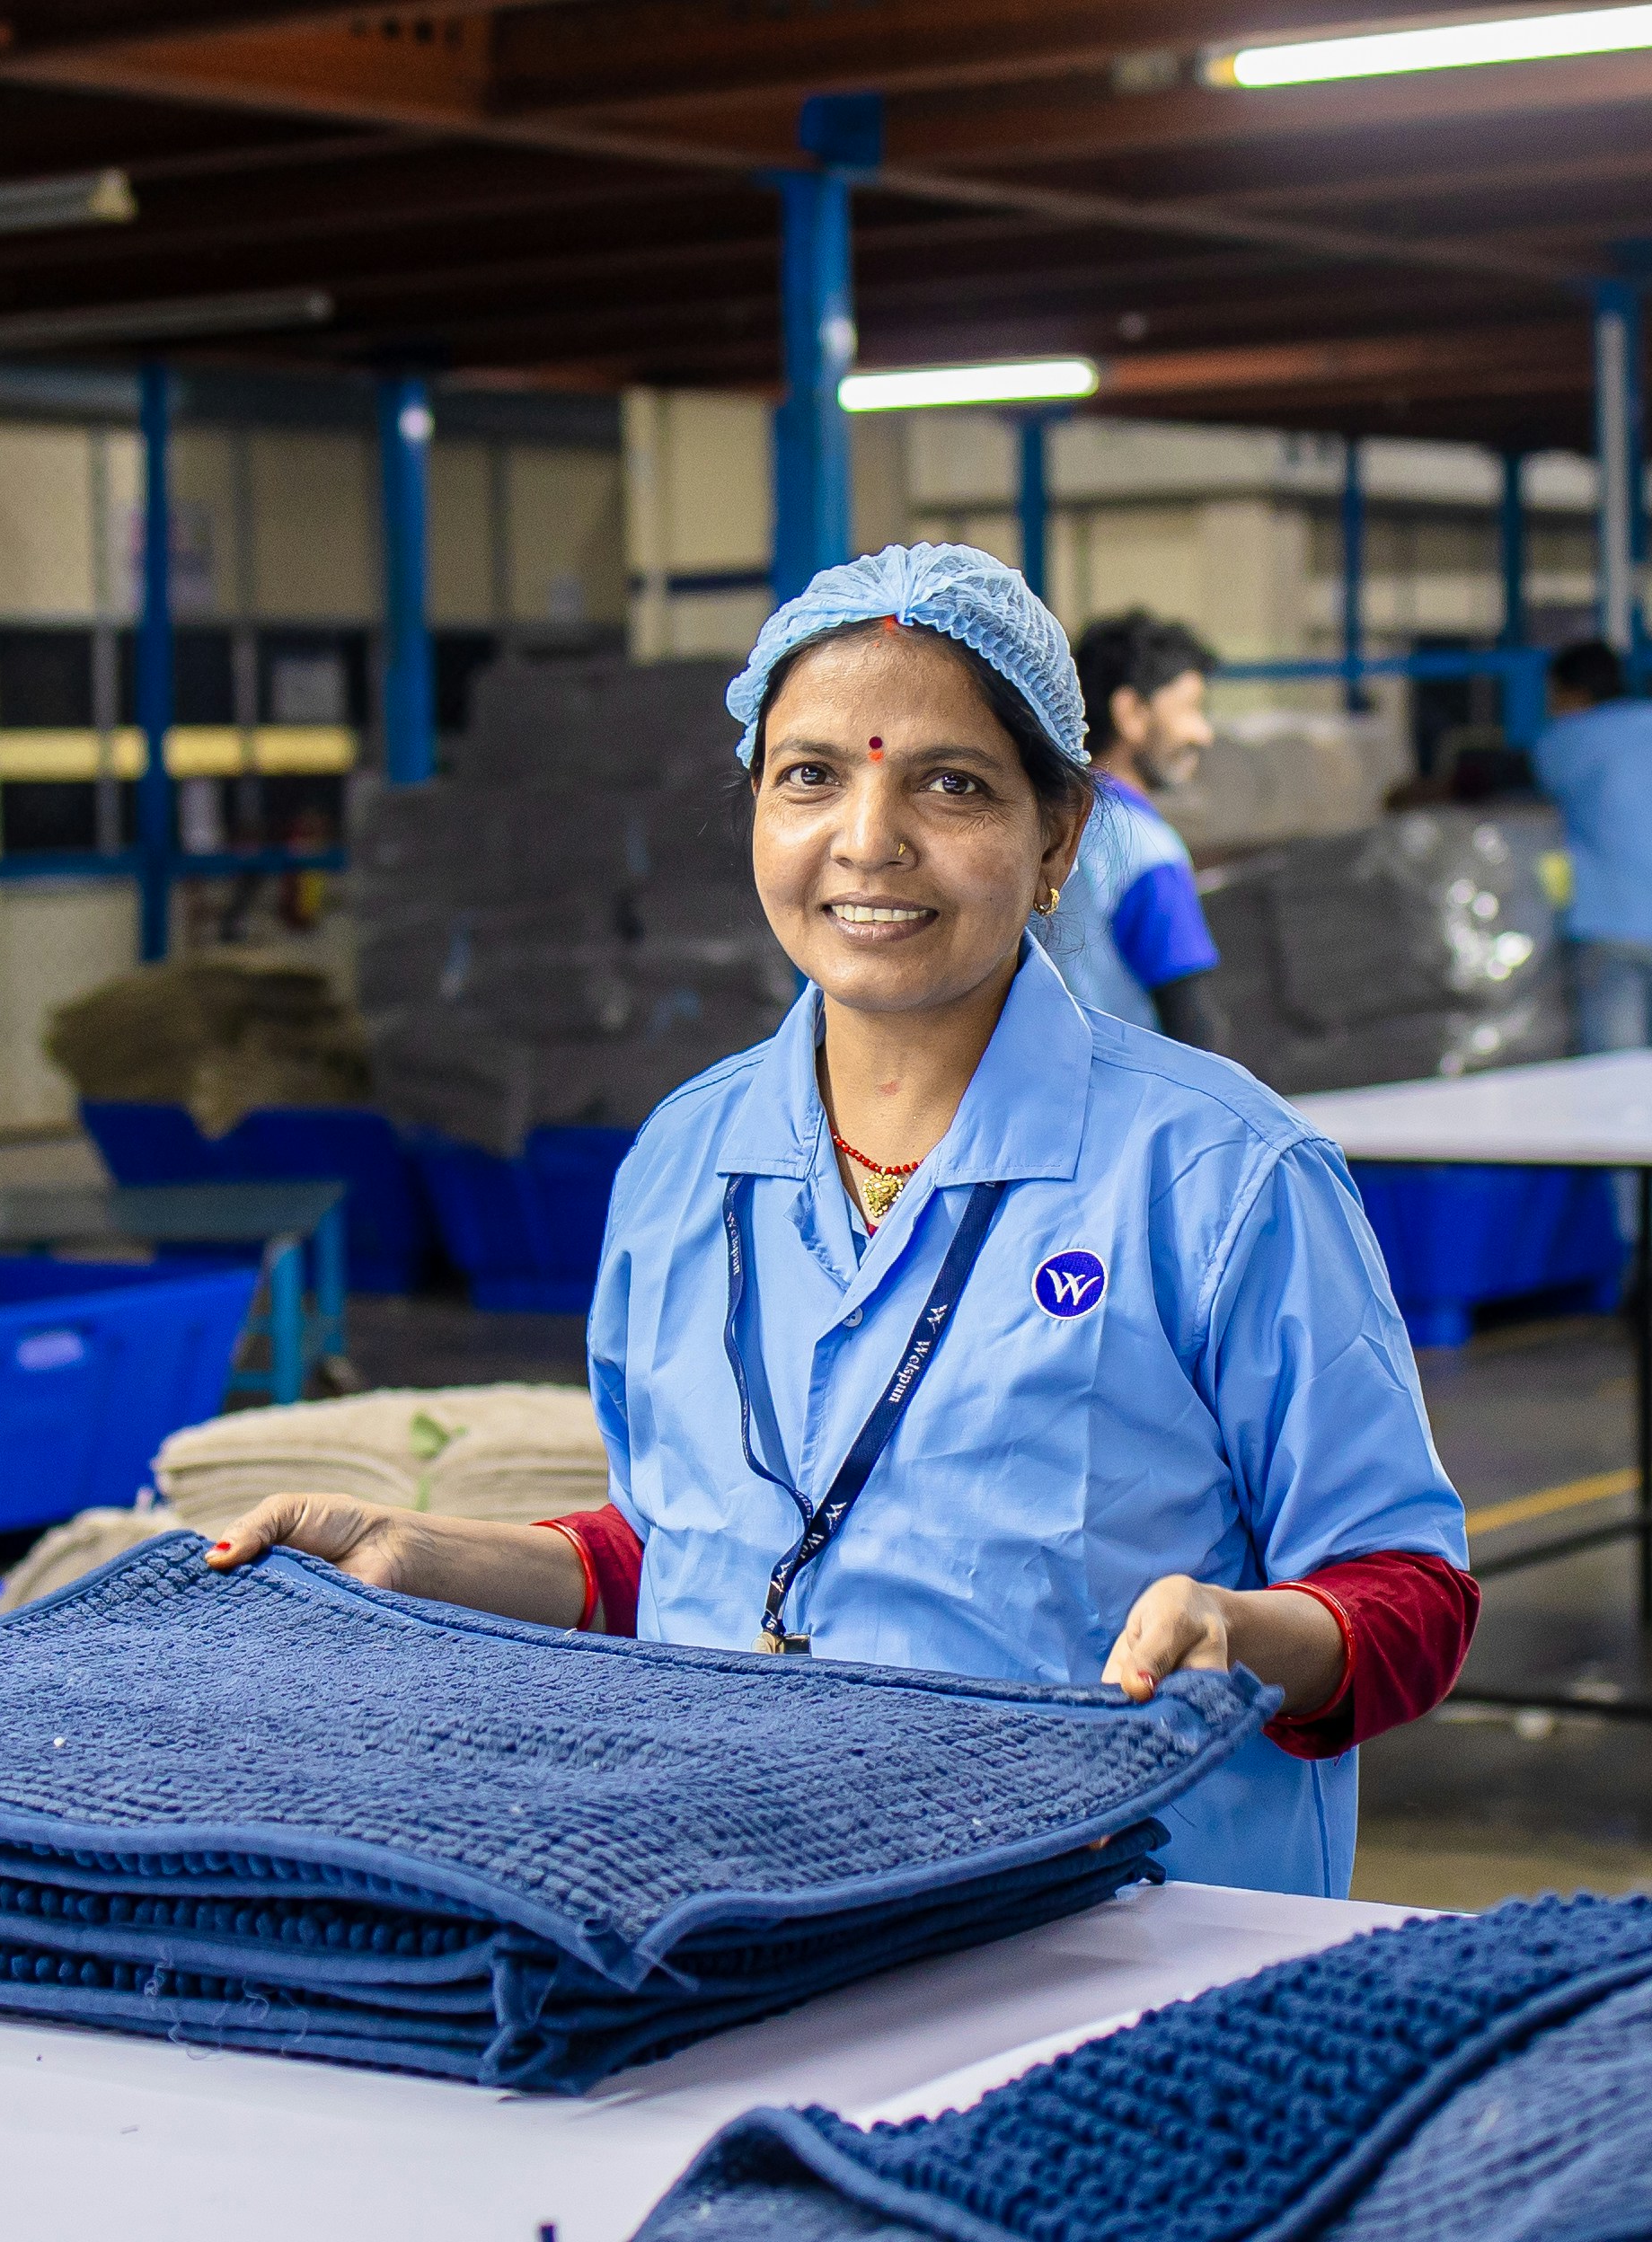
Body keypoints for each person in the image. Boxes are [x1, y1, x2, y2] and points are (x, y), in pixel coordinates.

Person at [210, 543, 1476, 1899]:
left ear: (1058, 837)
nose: (869, 838)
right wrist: (425, 1556)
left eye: (952, 783)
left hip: (1115, 1931)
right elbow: (678, 1552)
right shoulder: (684, 1162)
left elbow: (1410, 1594)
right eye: (811, 776)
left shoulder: (1222, 1176)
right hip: (744, 1909)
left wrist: (1242, 1630)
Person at [1529, 639, 1652, 1262]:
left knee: (1618, 1092)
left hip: (1608, 926)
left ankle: (1636, 1243)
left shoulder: (1563, 742)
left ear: (1570, 692)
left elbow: (1537, 793)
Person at [1056, 611, 1230, 1051]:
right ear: (1131, 712)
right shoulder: (1146, 847)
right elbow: (1192, 1020)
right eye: (1190, 708)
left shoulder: (1048, 819)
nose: (1203, 733)